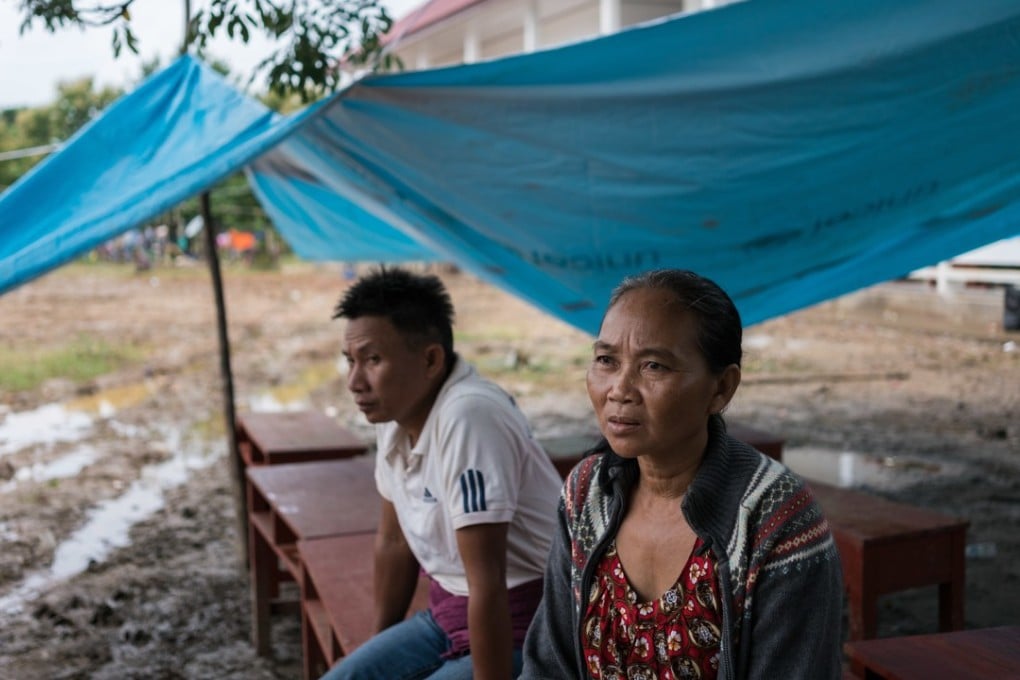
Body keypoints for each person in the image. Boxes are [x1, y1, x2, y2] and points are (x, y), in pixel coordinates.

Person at [521, 269, 843, 680]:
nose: (619, 389)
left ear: (721, 389)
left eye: (653, 366)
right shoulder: (588, 492)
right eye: (606, 360)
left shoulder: (777, 519)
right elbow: (548, 666)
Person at [323, 267, 563, 680]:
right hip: (450, 613)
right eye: (350, 361)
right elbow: (394, 541)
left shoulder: (469, 415)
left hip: (528, 625)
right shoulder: (395, 414)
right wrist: (379, 649)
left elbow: (487, 581)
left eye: (373, 360)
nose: (354, 382)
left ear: (431, 359)